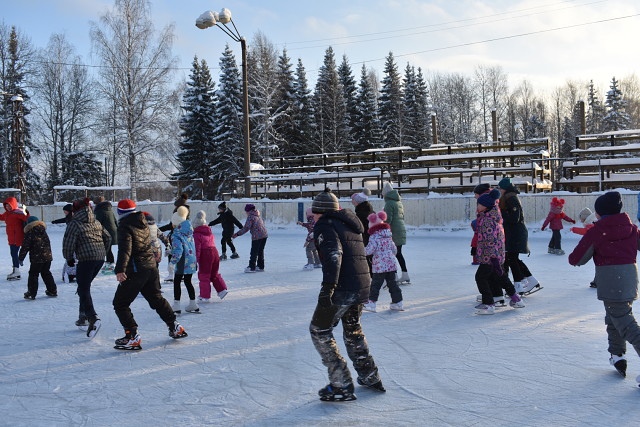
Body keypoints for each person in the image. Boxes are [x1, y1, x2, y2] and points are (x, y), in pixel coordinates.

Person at [309, 188, 384, 402]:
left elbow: (334, 255)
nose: (313, 216)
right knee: (353, 331)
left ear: (321, 211)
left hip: (342, 288)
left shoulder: (326, 224)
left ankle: (341, 384)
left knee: (319, 330)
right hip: (361, 285)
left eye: (314, 212)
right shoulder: (351, 224)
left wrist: (328, 288)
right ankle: (369, 375)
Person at [568, 191, 640, 379]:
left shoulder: (598, 231)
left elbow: (576, 259)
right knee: (614, 317)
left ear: (601, 213)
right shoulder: (631, 228)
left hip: (610, 281)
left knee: (624, 323)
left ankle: (618, 354)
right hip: (630, 279)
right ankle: (617, 355)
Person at [112, 199, 187, 351]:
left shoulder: (125, 225)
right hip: (151, 267)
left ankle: (132, 336)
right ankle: (175, 326)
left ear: (120, 212)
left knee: (120, 303)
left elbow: (125, 249)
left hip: (136, 270)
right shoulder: (143, 221)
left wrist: (120, 269)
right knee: (156, 298)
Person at [62, 197, 111, 337]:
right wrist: (102, 252)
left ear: (75, 210)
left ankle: (92, 318)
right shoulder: (95, 221)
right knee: (84, 287)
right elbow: (108, 238)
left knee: (83, 288)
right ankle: (83, 317)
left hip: (86, 259)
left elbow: (68, 243)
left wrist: (69, 258)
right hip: (99, 259)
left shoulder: (74, 223)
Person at [474, 189, 525, 314]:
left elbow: (491, 240)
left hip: (490, 256)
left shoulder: (488, 220)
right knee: (501, 277)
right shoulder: (493, 216)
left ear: (485, 206)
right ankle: (516, 299)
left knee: (480, 277)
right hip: (496, 255)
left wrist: (493, 258)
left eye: (479, 204)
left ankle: (489, 303)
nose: (477, 206)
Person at [497, 177, 541, 295]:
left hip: (515, 233)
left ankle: (520, 284)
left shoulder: (511, 198)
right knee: (512, 259)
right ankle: (527, 280)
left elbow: (514, 218)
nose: (499, 190)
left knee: (512, 259)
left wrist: (502, 214)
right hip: (514, 233)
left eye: (500, 188)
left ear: (505, 189)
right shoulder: (509, 197)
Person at [363, 211, 403, 312]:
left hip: (379, 266)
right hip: (391, 265)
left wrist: (361, 251)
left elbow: (369, 250)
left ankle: (371, 303)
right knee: (392, 284)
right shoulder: (388, 235)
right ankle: (398, 303)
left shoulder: (374, 237)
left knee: (376, 285)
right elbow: (394, 250)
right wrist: (389, 257)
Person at [193, 210, 228, 302]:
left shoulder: (197, 234)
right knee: (214, 273)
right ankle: (222, 290)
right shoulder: (209, 231)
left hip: (206, 255)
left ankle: (205, 295)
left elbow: (197, 248)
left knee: (204, 275)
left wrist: (195, 260)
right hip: (214, 252)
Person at [19, 216, 57, 300]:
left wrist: (21, 258)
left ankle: (31, 293)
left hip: (37, 258)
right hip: (47, 257)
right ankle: (52, 290)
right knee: (46, 272)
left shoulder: (30, 232)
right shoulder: (43, 230)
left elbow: (25, 246)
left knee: (33, 274)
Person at [169, 206, 199, 314]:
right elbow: (186, 246)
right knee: (187, 281)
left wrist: (172, 262)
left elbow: (179, 250)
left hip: (182, 261)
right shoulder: (189, 231)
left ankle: (176, 305)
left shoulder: (176, 234)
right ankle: (193, 303)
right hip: (191, 260)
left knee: (177, 282)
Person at [382, 182, 410, 284]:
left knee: (392, 254)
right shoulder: (398, 202)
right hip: (400, 229)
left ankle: (394, 276)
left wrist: (382, 225)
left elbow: (388, 219)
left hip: (394, 231)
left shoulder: (389, 203)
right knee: (398, 253)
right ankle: (405, 274)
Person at [233, 204, 268, 273]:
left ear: (248, 211)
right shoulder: (257, 215)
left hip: (257, 236)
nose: (246, 213)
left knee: (254, 252)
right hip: (264, 235)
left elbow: (246, 228)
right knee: (260, 251)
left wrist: (237, 234)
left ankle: (252, 267)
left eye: (246, 211)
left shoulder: (250, 217)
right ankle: (260, 266)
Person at [0, 196, 28, 280]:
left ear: (13, 205)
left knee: (14, 253)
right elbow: (1, 217)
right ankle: (16, 270)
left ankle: (16, 271)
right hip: (12, 237)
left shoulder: (18, 212)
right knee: (13, 253)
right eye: (6, 206)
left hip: (17, 237)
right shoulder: (7, 213)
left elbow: (27, 217)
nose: (8, 207)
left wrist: (26, 211)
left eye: (9, 205)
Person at [570, 207, 598, 288]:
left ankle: (597, 281)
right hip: (596, 246)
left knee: (599, 264)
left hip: (596, 247)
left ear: (584, 217)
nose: (580, 220)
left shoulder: (591, 223)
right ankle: (597, 281)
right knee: (599, 264)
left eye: (581, 218)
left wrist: (574, 229)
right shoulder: (591, 222)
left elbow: (586, 232)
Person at [52, 204, 76, 283]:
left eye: (65, 211)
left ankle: (72, 274)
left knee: (72, 257)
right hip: (71, 238)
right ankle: (71, 273)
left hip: (73, 239)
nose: (64, 212)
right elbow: (64, 219)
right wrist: (55, 221)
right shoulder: (69, 217)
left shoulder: (72, 218)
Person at [93, 196, 118, 272]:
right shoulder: (109, 210)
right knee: (107, 249)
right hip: (113, 231)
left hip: (105, 233)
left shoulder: (99, 211)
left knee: (106, 249)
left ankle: (110, 265)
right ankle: (110, 264)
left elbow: (97, 223)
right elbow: (115, 221)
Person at [351, 189, 374, 273]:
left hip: (367, 238)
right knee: (370, 258)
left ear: (358, 202)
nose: (352, 202)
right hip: (370, 237)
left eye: (354, 200)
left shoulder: (361, 213)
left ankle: (374, 276)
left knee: (368, 258)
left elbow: (358, 227)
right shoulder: (369, 209)